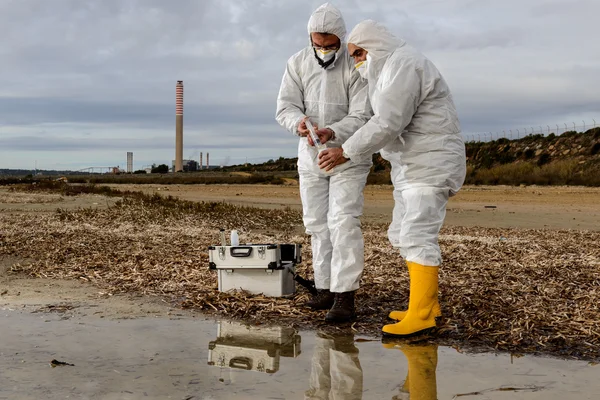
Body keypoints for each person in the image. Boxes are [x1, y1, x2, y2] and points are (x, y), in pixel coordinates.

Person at [317, 20, 466, 337]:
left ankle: (422, 314)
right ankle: (425, 304)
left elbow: (388, 122)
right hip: (412, 165)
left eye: (359, 53)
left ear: (374, 44)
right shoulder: (387, 72)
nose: (356, 61)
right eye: (353, 56)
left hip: (429, 162)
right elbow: (375, 118)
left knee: (416, 234)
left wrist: (346, 150)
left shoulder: (402, 64)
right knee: (401, 233)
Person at [276, 3, 372, 322]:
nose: (324, 51)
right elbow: (285, 107)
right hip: (311, 155)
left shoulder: (355, 63)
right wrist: (299, 124)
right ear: (310, 39)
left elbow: (363, 113)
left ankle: (345, 296)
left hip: (348, 154)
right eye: (318, 45)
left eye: (330, 46)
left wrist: (333, 131)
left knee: (343, 221)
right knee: (317, 223)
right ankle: (325, 288)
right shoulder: (297, 63)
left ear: (341, 40)